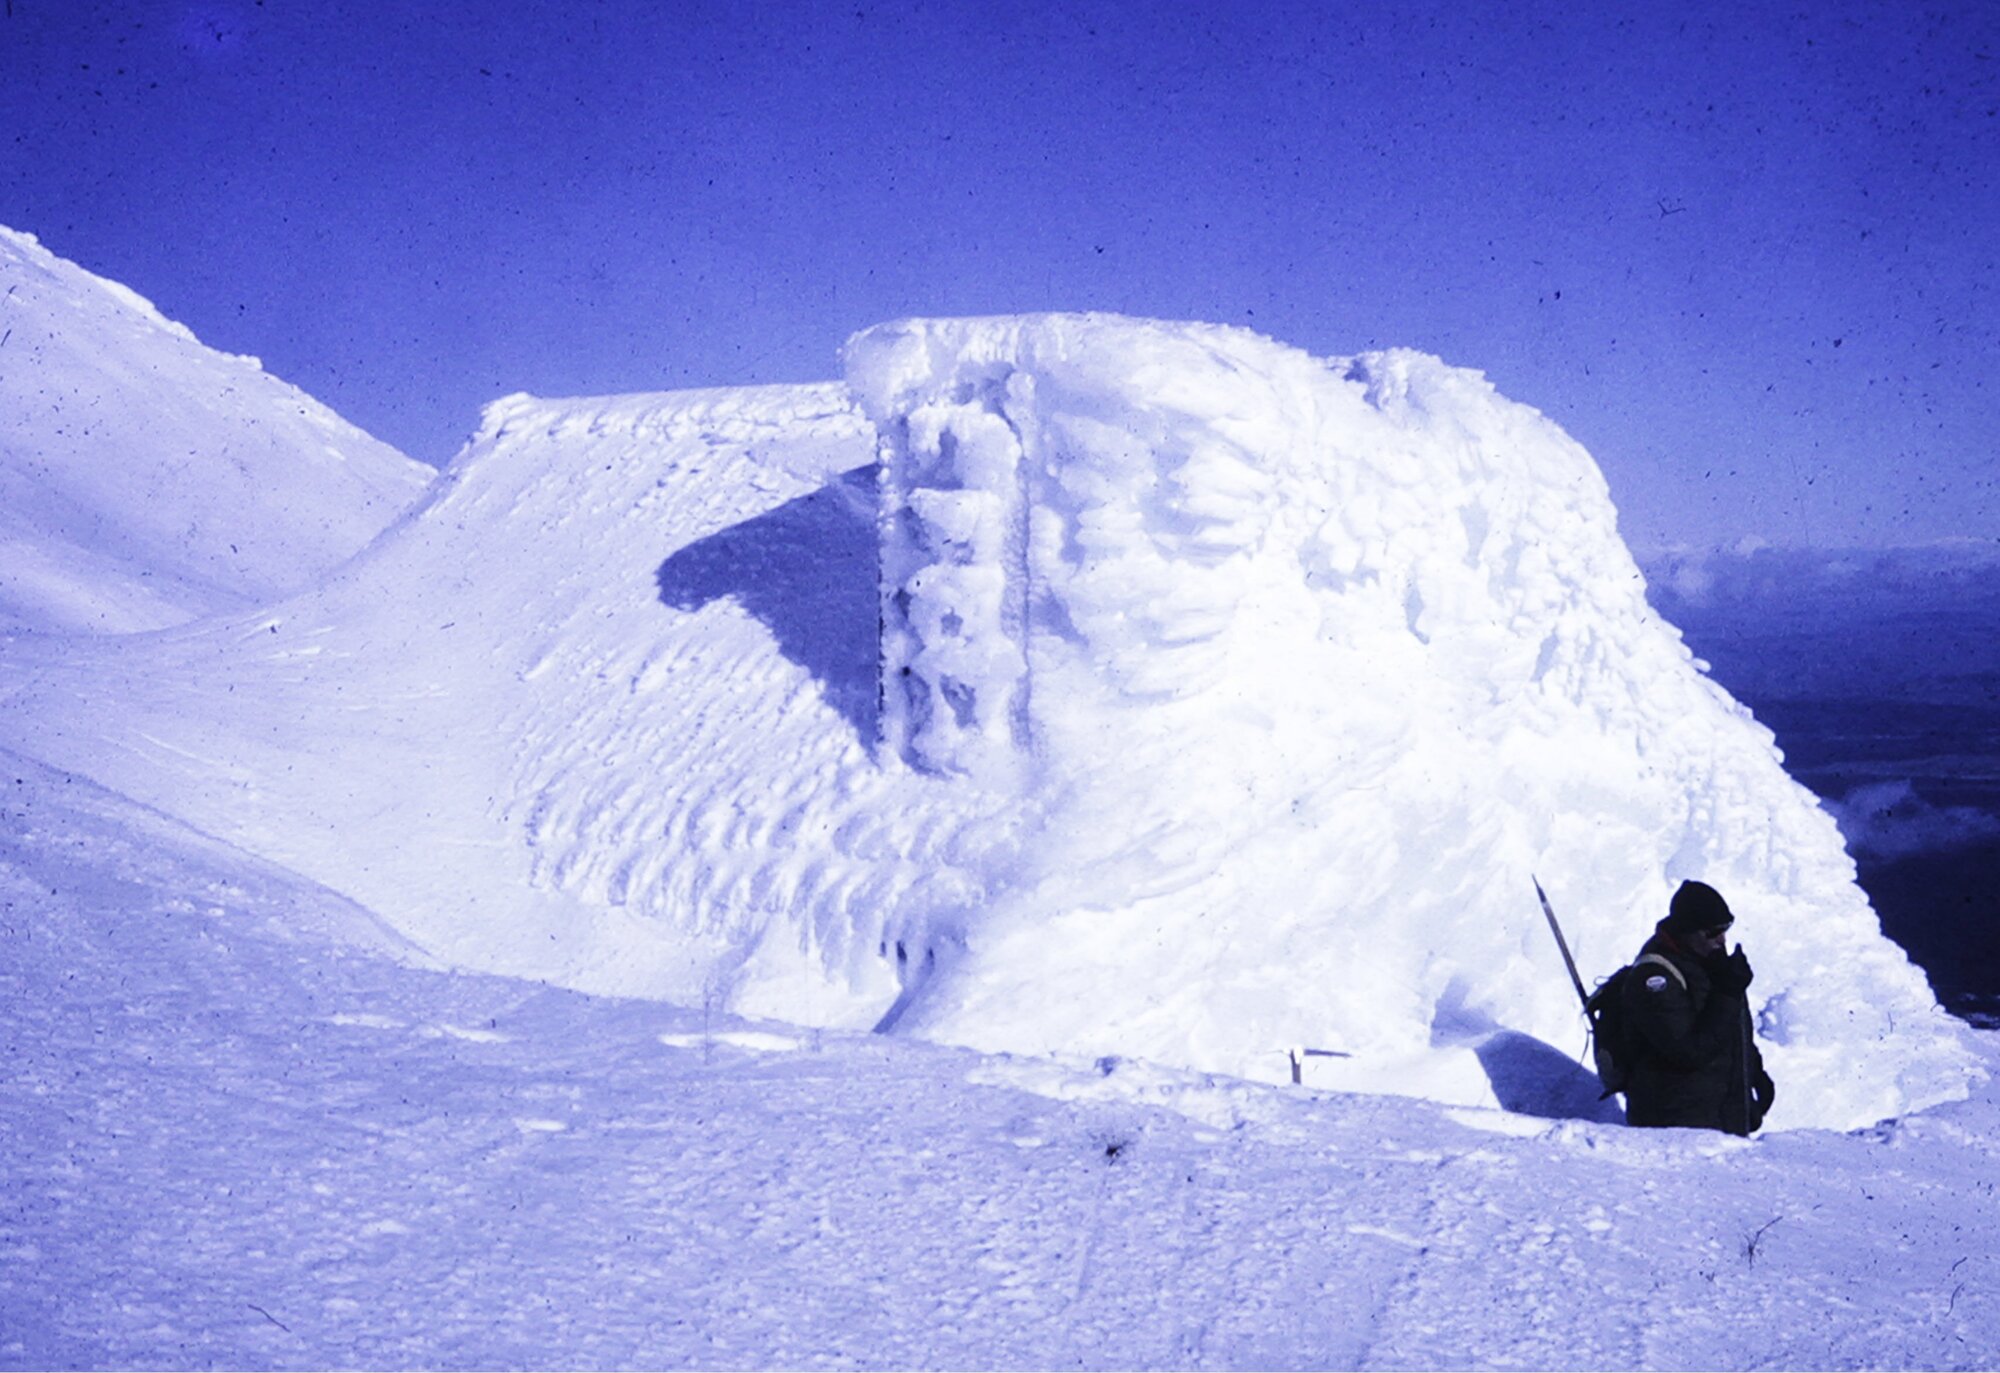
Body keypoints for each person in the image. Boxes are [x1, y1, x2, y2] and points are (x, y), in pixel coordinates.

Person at [1620, 879, 1775, 1135]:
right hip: (1673, 1130)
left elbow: (1730, 1030)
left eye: (1725, 929)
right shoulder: (1655, 977)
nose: (1721, 939)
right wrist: (1727, 993)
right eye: (1712, 932)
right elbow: (1688, 1050)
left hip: (1716, 1122)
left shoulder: (1709, 963)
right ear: (1686, 930)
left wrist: (1754, 1073)